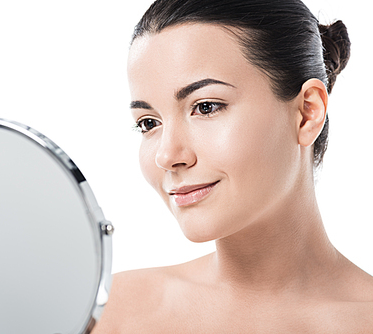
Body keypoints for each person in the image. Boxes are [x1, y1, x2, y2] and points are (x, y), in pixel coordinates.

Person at [93, 0, 373, 332]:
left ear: (307, 112)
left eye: (206, 106)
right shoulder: (108, 312)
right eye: (149, 123)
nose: (167, 156)